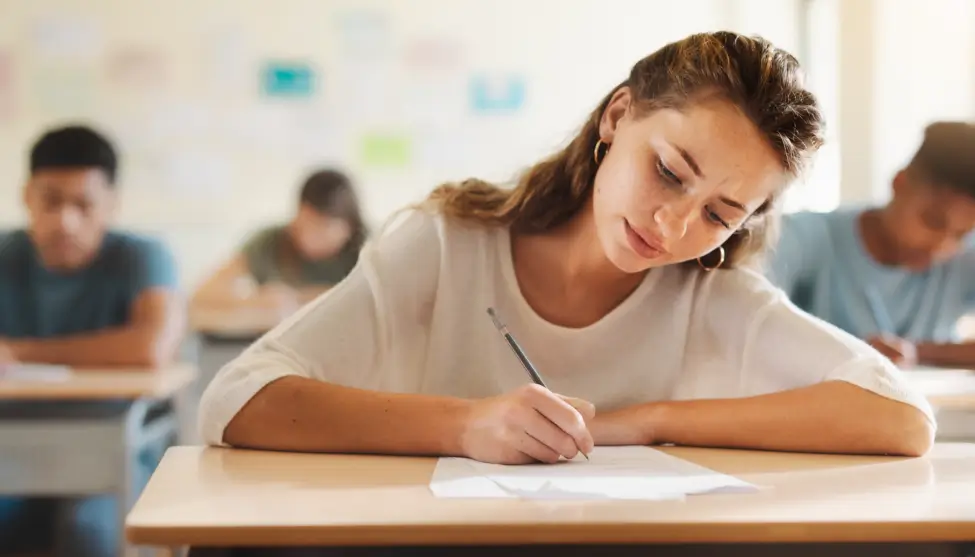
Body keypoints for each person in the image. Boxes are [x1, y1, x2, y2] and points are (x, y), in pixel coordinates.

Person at [199, 32, 935, 467]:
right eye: (668, 172)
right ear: (617, 115)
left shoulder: (708, 293)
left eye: (719, 212)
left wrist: (647, 419)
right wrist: (462, 425)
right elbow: (234, 399)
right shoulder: (448, 246)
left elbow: (900, 417)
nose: (674, 226)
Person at [0, 125, 184, 556]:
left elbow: (150, 348)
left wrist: (18, 350)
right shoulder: (5, 255)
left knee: (90, 533)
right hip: (12, 445)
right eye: (51, 201)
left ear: (111, 205)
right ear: (27, 196)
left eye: (84, 205)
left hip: (112, 444)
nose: (66, 220)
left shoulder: (142, 256)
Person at [768, 121, 975, 368]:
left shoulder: (963, 259)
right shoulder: (807, 237)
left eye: (961, 234)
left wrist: (917, 352)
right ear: (900, 183)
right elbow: (739, 306)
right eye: (932, 221)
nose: (941, 246)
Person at [191, 168, 367, 317]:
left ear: (349, 227)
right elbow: (203, 294)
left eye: (321, 228)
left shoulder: (370, 248)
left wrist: (300, 297)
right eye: (303, 225)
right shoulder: (270, 242)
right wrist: (255, 300)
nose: (308, 238)